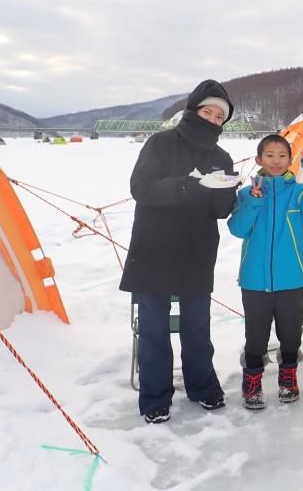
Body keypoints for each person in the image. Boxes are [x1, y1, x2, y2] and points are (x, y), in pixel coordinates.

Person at [120, 79, 239, 424]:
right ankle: (155, 396)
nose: (214, 119)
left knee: (197, 326)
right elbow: (141, 188)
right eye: (208, 111)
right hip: (155, 246)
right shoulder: (161, 143)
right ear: (192, 110)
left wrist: (227, 192)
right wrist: (187, 185)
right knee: (154, 327)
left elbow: (219, 210)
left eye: (220, 116)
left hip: (197, 249)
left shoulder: (221, 156)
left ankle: (203, 387)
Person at [227, 135, 303, 409]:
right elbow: (237, 229)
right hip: (254, 281)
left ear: (290, 159)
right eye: (269, 155)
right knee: (256, 336)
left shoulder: (297, 192)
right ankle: (252, 382)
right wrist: (254, 201)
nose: (276, 161)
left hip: (290, 279)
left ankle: (288, 378)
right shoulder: (247, 194)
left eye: (282, 155)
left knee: (290, 334)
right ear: (259, 160)